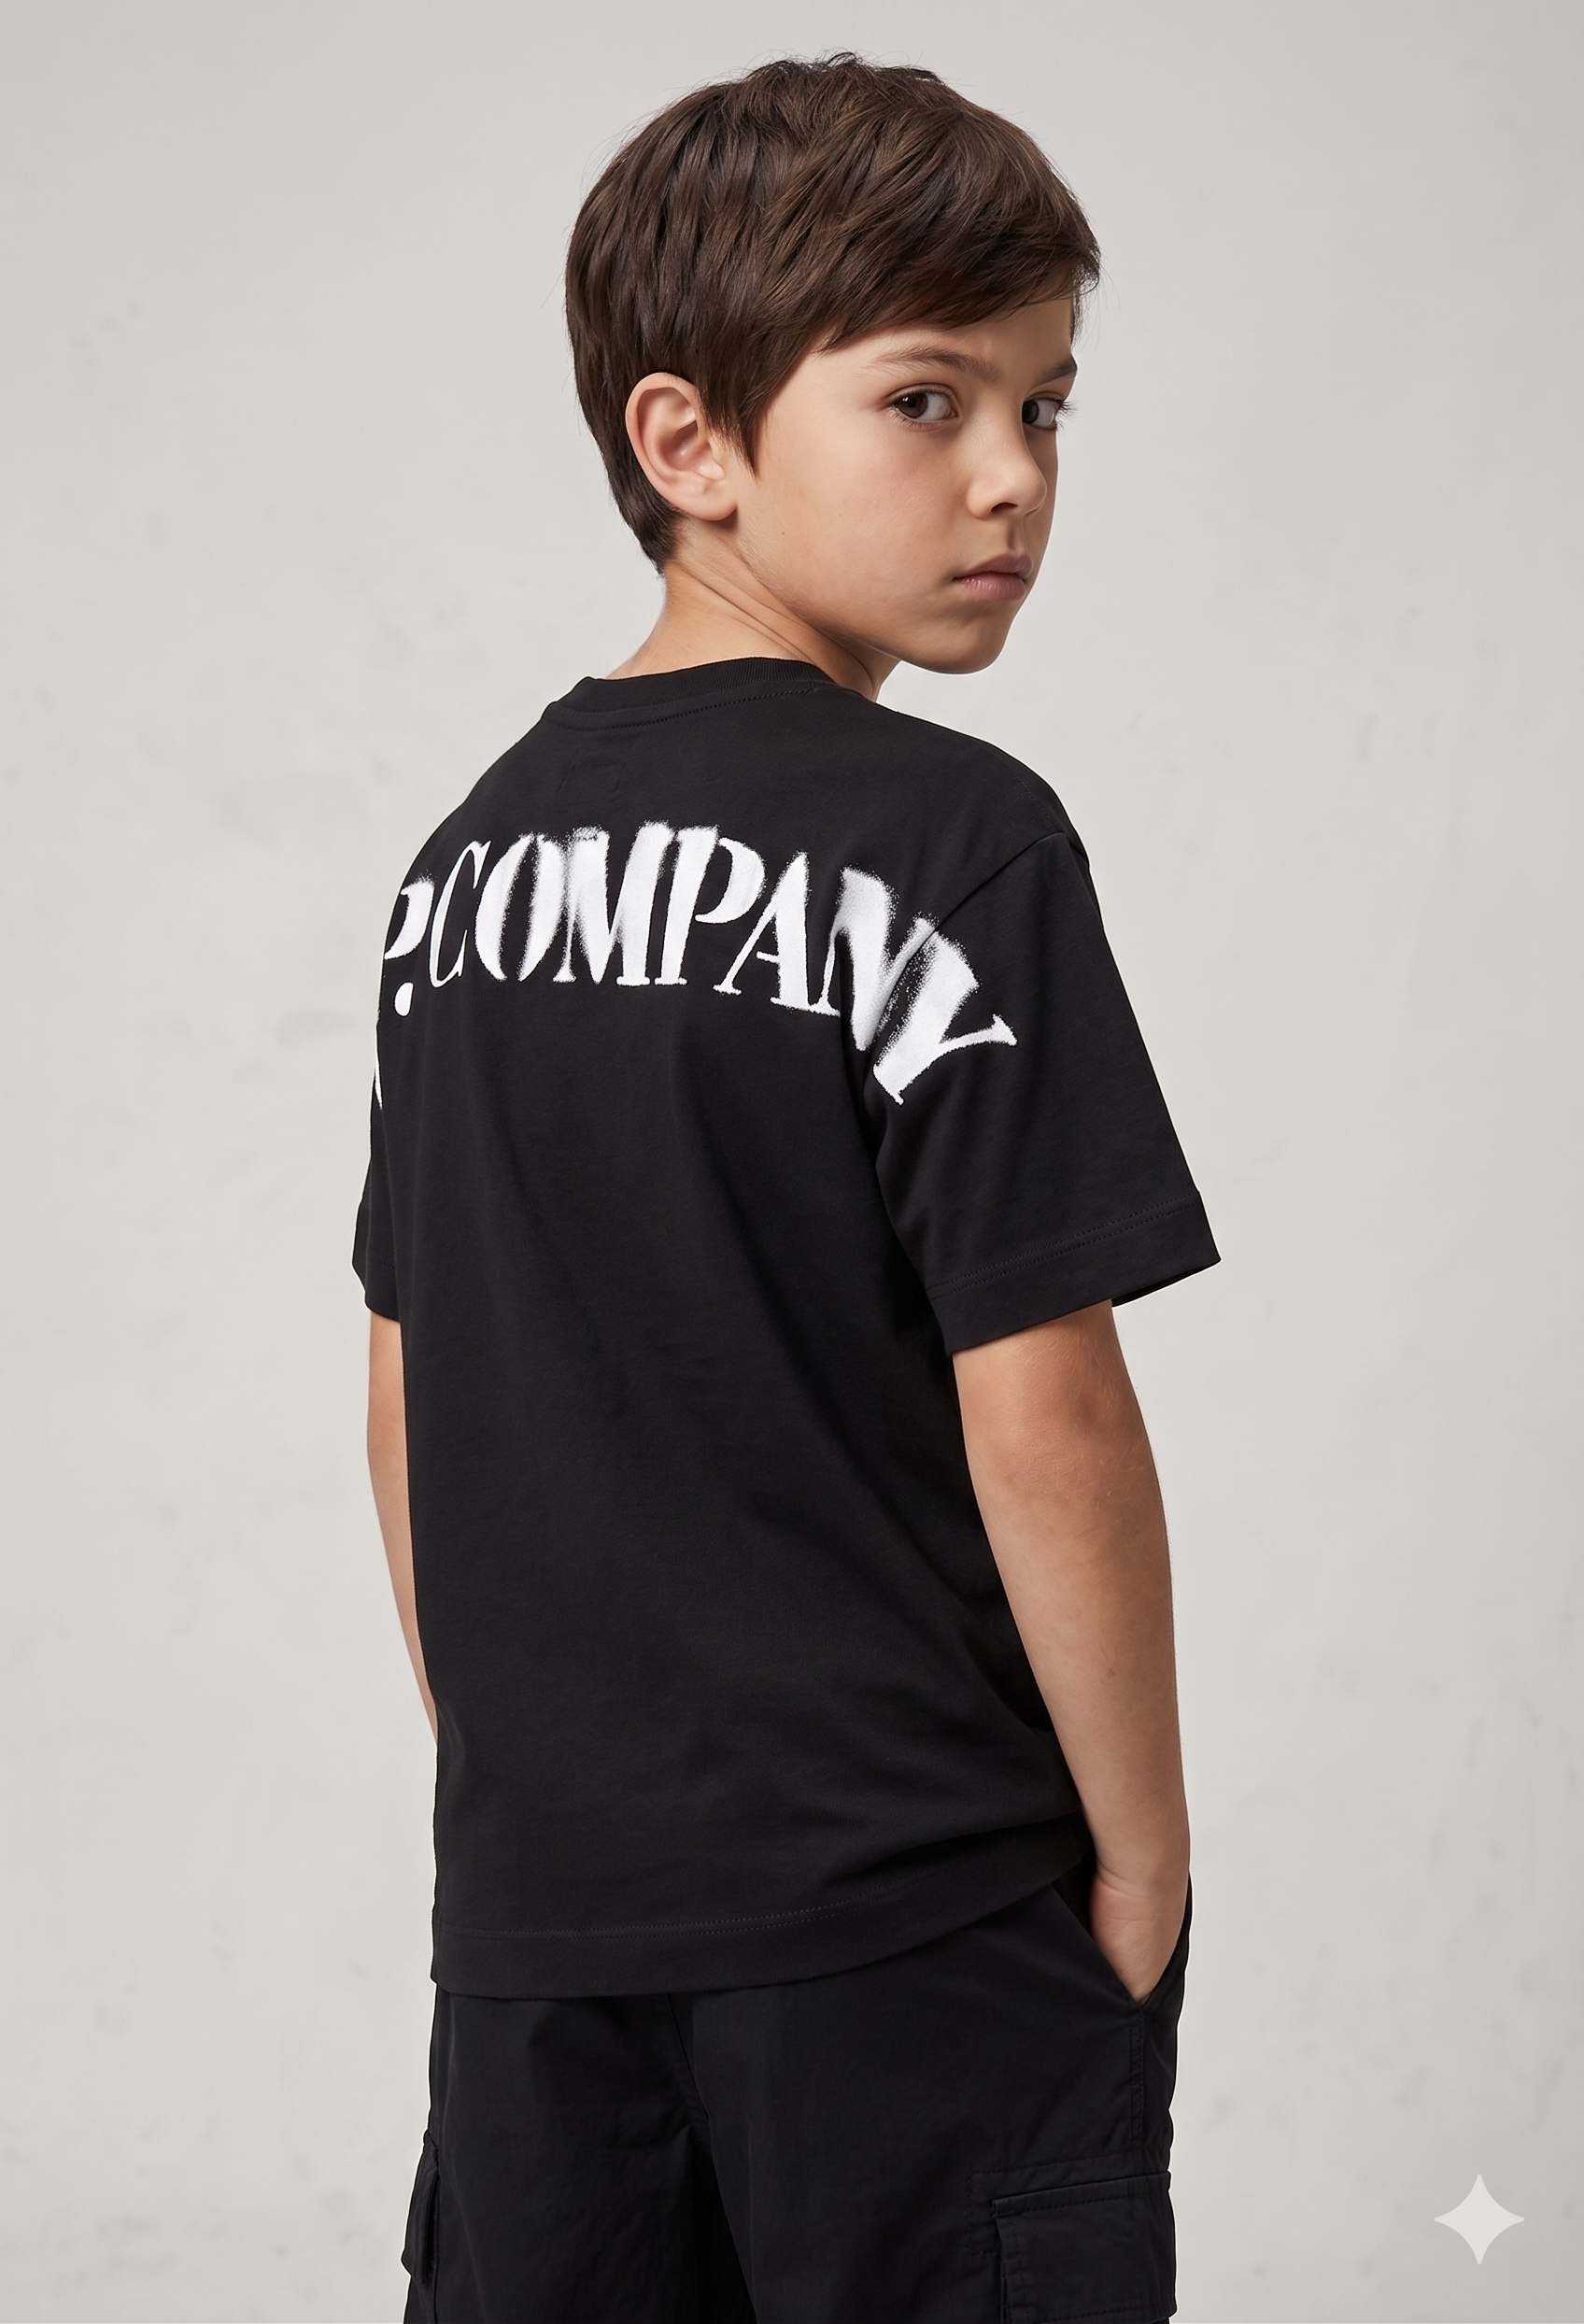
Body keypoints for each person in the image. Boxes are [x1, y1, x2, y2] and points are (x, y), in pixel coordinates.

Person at [355, 51, 1218, 2324]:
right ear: (688, 443)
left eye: (1044, 406)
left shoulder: (461, 875)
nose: (1010, 474)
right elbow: (1047, 1405)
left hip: (542, 1936)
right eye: (926, 401)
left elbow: (407, 1389)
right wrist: (1140, 1845)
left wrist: (538, 1797)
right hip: (912, 1918)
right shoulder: (953, 841)